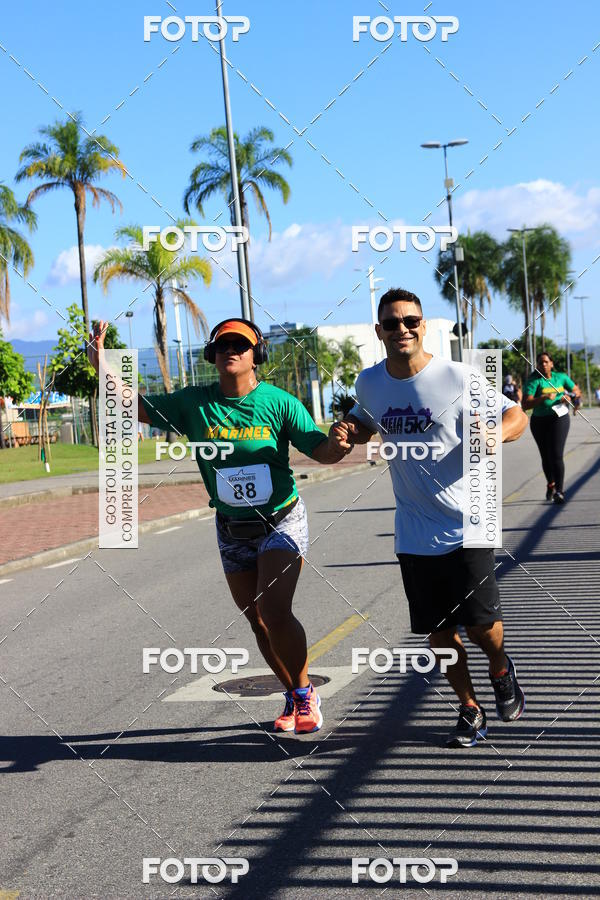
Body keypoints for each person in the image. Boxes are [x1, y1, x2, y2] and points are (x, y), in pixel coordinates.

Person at [88, 317, 348, 735]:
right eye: (223, 345)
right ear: (211, 355)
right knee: (257, 621)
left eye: (241, 346)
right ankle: (291, 692)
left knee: (274, 610)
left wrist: (337, 445)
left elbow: (320, 450)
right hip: (231, 527)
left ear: (256, 356)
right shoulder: (194, 403)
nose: (232, 351)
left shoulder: (280, 403)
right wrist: (102, 363)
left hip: (281, 520)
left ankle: (305, 696)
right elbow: (134, 405)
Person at [330, 288, 529, 748]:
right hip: (415, 528)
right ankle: (469, 708)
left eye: (411, 320)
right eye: (393, 323)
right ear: (379, 331)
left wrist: (496, 435)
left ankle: (500, 668)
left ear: (424, 326)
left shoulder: (457, 377)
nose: (403, 329)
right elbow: (365, 419)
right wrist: (348, 430)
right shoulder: (370, 382)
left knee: (480, 627)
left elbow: (515, 414)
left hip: (469, 521)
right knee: (439, 634)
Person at [522, 352, 581, 504]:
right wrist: (542, 398)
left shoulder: (560, 377)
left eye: (546, 362)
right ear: (537, 365)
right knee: (546, 456)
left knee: (556, 455)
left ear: (552, 363)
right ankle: (551, 484)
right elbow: (525, 404)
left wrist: (570, 397)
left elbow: (576, 390)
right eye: (540, 363)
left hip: (559, 419)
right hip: (539, 421)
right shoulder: (534, 381)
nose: (544, 365)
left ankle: (560, 491)